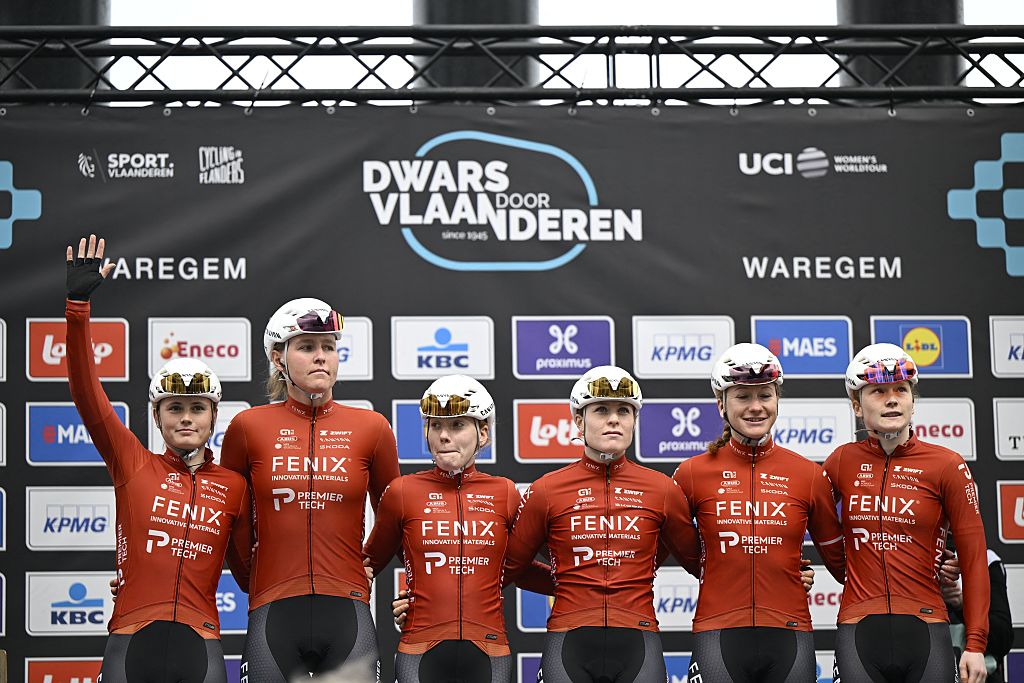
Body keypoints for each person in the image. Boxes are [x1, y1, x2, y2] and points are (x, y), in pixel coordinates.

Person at [65, 234, 251, 683]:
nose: (186, 419)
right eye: (174, 408)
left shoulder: (234, 486)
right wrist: (77, 309)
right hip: (131, 641)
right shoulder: (132, 463)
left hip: (202, 644)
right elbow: (87, 395)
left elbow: (250, 577)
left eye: (196, 408)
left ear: (213, 417)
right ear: (156, 415)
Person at [219, 297, 401, 682]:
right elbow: (229, 520)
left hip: (347, 608)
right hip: (272, 608)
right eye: (306, 347)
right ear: (278, 357)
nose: (321, 357)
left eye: (329, 347)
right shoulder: (247, 427)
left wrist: (366, 565)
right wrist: (253, 578)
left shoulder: (372, 427)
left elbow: (396, 513)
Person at [503, 366, 701, 683]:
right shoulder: (546, 490)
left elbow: (703, 564)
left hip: (638, 641)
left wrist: (783, 575)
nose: (613, 419)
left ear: (634, 420)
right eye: (601, 410)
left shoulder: (662, 489)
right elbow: (507, 568)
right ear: (579, 420)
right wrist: (563, 578)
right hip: (568, 640)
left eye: (624, 410)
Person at [673, 343, 846, 682]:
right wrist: (731, 566)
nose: (755, 407)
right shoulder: (691, 473)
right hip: (717, 632)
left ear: (777, 400)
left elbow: (843, 563)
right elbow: (669, 551)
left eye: (765, 396)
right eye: (742, 397)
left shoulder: (808, 474)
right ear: (721, 404)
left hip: (789, 632)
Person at [363, 375, 554, 683]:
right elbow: (366, 565)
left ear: (483, 432)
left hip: (488, 651)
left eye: (456, 426)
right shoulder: (402, 492)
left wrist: (585, 589)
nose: (443, 436)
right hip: (420, 650)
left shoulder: (505, 493)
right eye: (435, 425)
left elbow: (518, 569)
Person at [824, 343, 990, 683]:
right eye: (878, 391)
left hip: (927, 627)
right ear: (856, 404)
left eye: (902, 389)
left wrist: (974, 643)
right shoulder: (841, 461)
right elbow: (795, 521)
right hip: (859, 628)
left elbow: (973, 559)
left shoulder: (947, 464)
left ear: (913, 401)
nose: (892, 399)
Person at [943, 543, 1014, 683]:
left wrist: (963, 604)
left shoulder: (986, 561)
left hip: (976, 676)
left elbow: (1002, 639)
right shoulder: (905, 559)